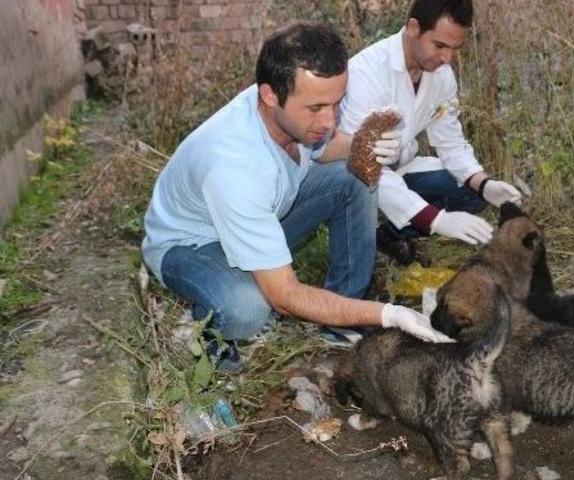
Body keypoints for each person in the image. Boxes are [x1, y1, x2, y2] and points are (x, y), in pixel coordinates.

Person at [141, 23, 452, 371]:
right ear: (270, 95)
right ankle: (201, 329)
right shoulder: (235, 167)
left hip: (260, 214)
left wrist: (365, 145)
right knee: (248, 309)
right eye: (317, 107)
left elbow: (322, 151)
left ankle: (340, 315)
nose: (330, 120)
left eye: (337, 103)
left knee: (358, 175)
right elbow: (285, 297)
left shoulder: (291, 116)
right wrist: (390, 315)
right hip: (190, 244)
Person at [332, 0, 523, 265]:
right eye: (440, 45)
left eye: (455, 48)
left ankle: (387, 235)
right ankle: (355, 253)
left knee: (470, 193)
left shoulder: (440, 74)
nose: (448, 58)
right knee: (359, 258)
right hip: (353, 180)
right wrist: (435, 219)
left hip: (398, 169)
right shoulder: (366, 75)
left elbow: (450, 142)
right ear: (413, 28)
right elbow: (362, 166)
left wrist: (484, 184)